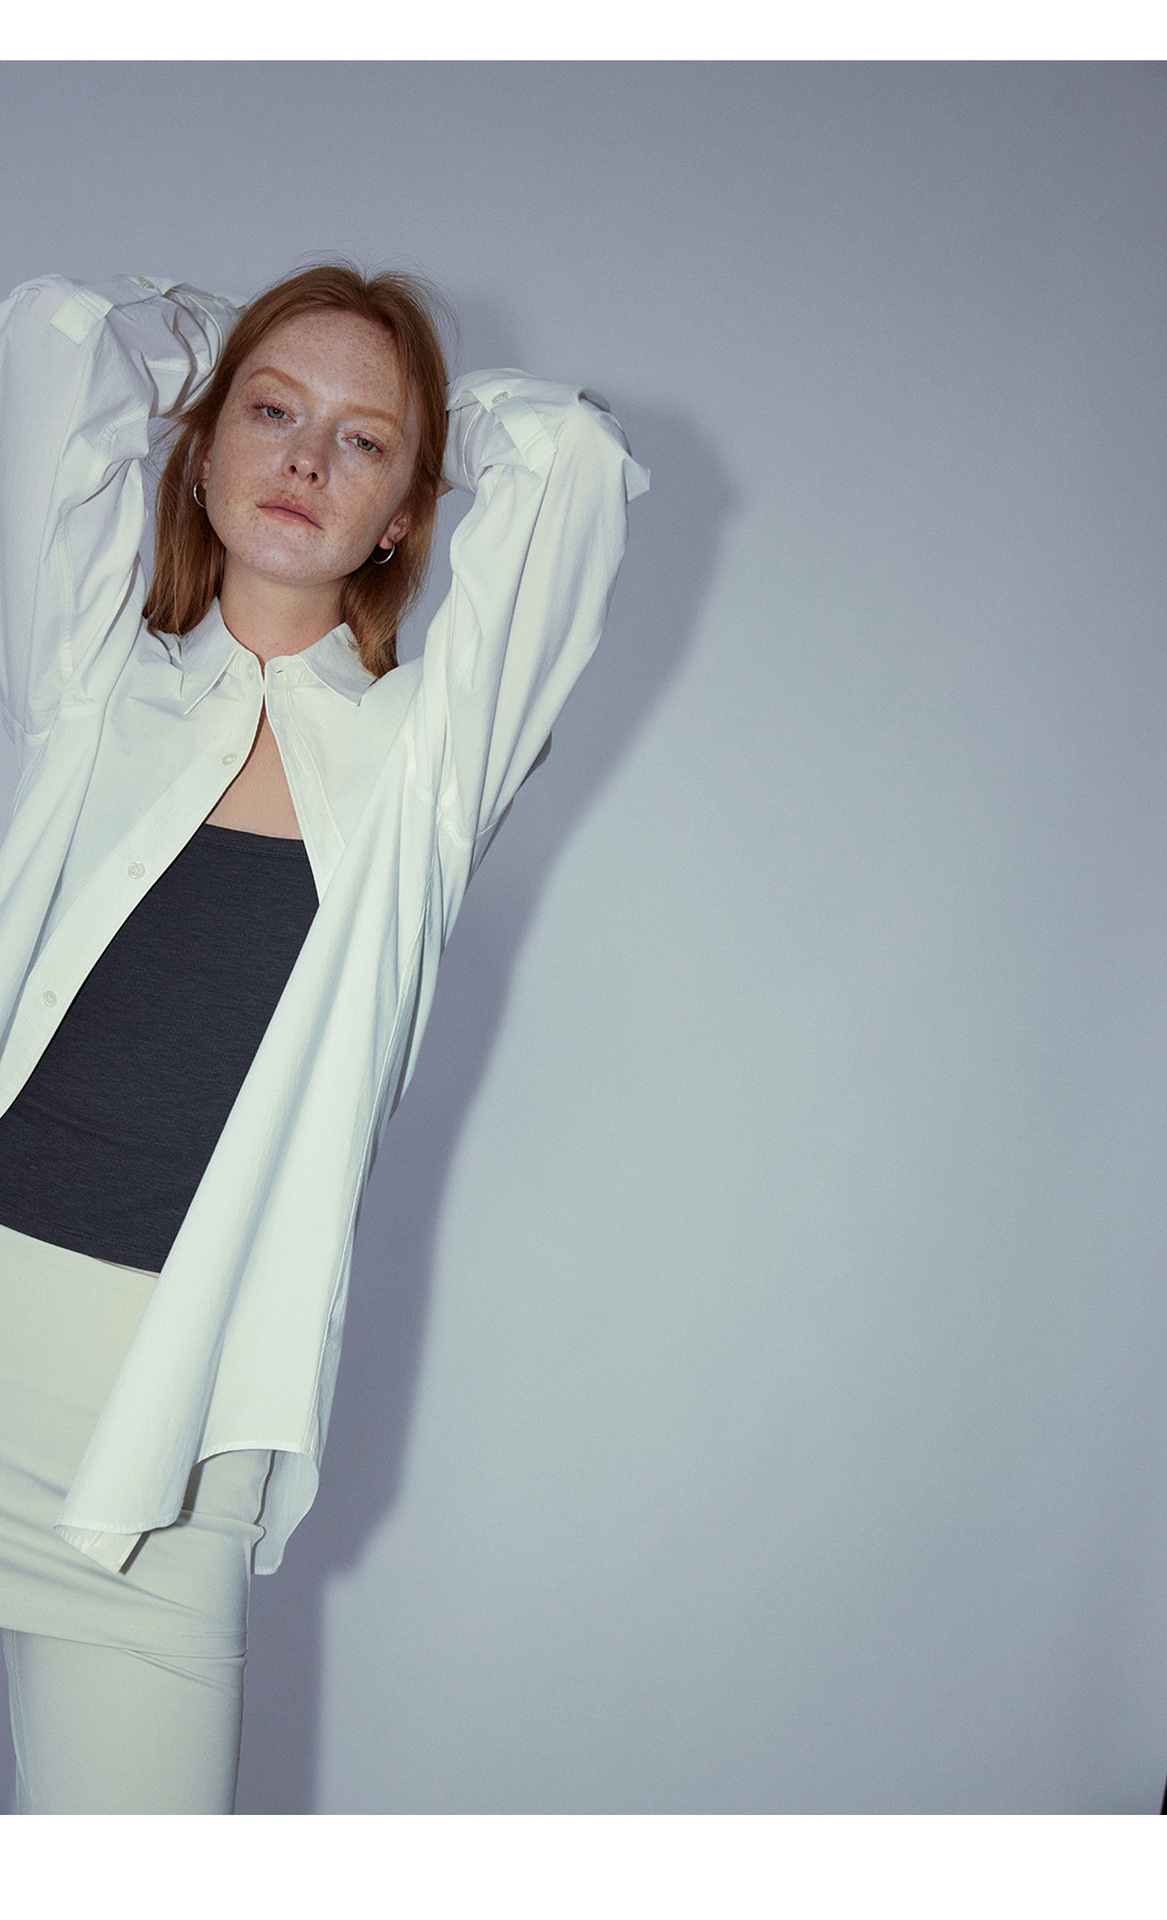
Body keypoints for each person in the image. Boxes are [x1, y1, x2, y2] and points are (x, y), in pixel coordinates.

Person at [0, 261, 648, 1814]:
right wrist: (211, 348)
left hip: (165, 1437)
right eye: (271, 416)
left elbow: (570, 465)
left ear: (410, 511)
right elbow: (48, 347)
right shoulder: (96, 681)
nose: (304, 462)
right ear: (200, 444)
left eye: (362, 445)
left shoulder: (422, 765)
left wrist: (404, 406)